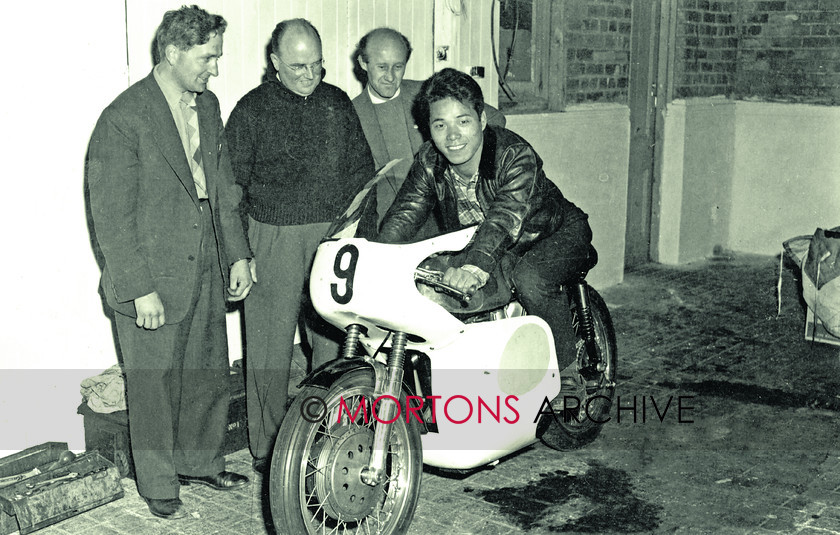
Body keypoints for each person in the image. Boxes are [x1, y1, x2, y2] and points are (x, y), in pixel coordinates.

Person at [87, 5, 253, 520]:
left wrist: (238, 254)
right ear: (173, 52)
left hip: (205, 253)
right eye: (208, 58)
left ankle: (200, 460)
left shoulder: (207, 106)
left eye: (217, 57)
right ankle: (158, 480)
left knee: (206, 368)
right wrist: (138, 288)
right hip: (150, 269)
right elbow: (111, 217)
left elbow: (222, 188)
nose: (216, 69)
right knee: (152, 382)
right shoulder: (123, 118)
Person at [225, 19, 375, 474]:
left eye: (317, 65)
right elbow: (230, 189)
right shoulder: (250, 111)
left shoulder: (336, 103)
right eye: (297, 67)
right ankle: (268, 450)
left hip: (331, 234)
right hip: (272, 237)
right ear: (274, 64)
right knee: (268, 349)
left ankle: (326, 434)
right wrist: (239, 252)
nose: (310, 75)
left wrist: (356, 232)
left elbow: (362, 171)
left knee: (332, 340)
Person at [377, 68, 597, 371]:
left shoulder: (513, 155)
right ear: (429, 128)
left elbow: (505, 217)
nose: (452, 136)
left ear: (481, 120)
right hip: (496, 243)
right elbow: (405, 214)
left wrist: (474, 266)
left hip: (553, 233)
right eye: (440, 124)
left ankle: (567, 370)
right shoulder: (430, 160)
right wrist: (376, 257)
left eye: (463, 121)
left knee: (530, 279)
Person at [352, 28, 506, 230]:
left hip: (446, 219)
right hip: (394, 226)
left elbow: (495, 118)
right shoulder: (351, 114)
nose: (390, 76)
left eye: (398, 66)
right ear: (364, 63)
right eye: (382, 67)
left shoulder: (427, 94)